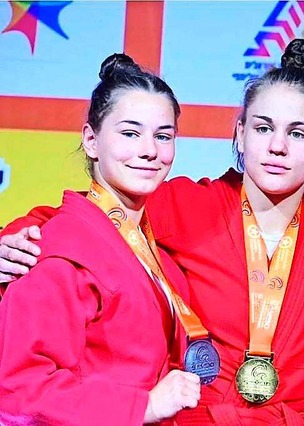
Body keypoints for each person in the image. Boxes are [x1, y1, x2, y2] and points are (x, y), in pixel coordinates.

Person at [0, 39, 304, 425]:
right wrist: (16, 238)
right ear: (240, 134)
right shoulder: (189, 205)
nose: (278, 146)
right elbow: (91, 220)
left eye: (297, 133)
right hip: (197, 416)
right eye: (262, 128)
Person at [0, 53, 203, 425]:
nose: (149, 151)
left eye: (163, 136)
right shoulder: (58, 252)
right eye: (129, 133)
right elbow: (20, 387)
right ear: (91, 141)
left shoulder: (154, 251)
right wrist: (145, 407)